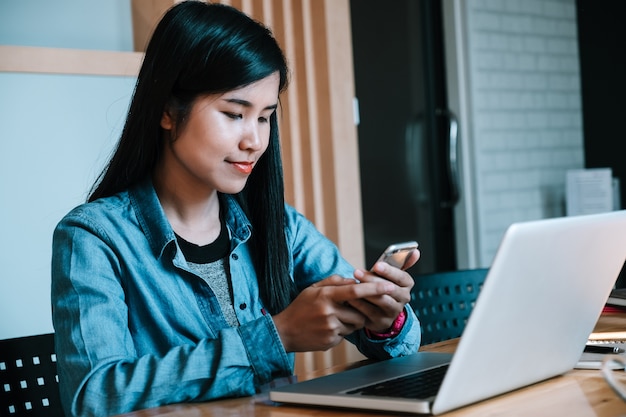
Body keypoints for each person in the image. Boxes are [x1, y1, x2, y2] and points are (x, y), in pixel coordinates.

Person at [51, 2, 421, 416]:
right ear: (168, 111)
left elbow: (401, 344)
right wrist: (276, 336)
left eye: (264, 117)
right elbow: (94, 398)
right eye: (234, 113)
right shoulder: (93, 239)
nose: (255, 141)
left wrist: (382, 315)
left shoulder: (278, 225)